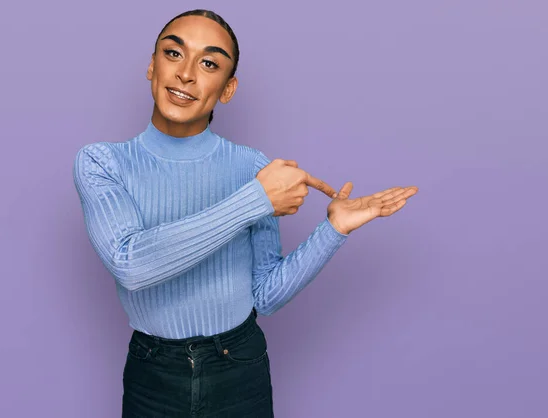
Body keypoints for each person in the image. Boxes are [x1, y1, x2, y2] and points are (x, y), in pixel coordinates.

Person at [73, 9, 418, 417]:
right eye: (173, 53)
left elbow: (266, 296)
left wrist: (333, 229)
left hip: (239, 368)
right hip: (154, 373)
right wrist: (255, 199)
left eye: (209, 63)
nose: (186, 74)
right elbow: (131, 266)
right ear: (151, 66)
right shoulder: (102, 162)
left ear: (228, 88)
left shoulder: (253, 168)